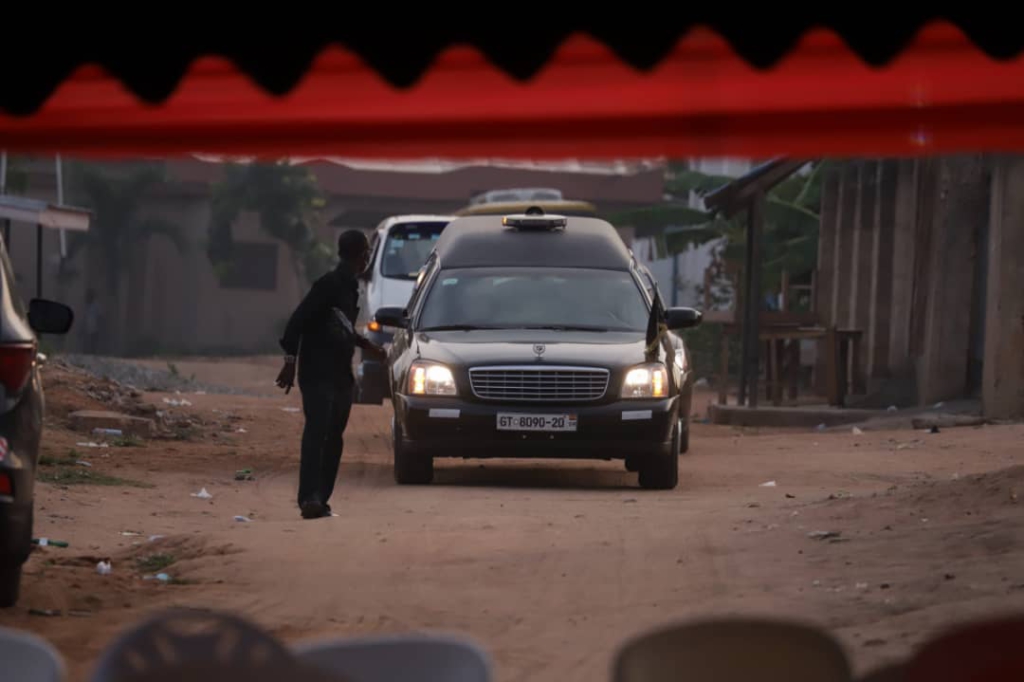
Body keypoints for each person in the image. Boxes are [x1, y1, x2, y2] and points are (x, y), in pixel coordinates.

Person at [276, 230, 386, 519]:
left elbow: (343, 327)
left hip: (340, 374)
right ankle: (308, 498)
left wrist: (366, 345)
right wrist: (290, 362)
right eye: (366, 253)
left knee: (334, 436)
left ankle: (321, 499)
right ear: (361, 254)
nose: (367, 258)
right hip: (316, 373)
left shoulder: (350, 288)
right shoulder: (327, 285)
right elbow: (296, 323)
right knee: (317, 432)